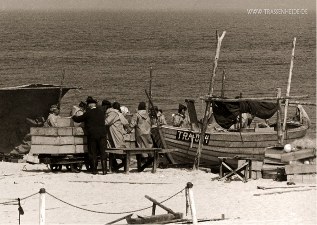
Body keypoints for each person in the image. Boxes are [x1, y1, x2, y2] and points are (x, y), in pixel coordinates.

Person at [72, 96, 106, 175]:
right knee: (102, 152)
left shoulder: (88, 113)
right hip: (102, 134)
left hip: (92, 135)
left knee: (92, 152)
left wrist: (73, 116)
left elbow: (78, 119)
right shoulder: (101, 112)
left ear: (90, 105)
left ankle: (94, 170)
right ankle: (104, 171)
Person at [129, 102, 153, 171]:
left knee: (139, 149)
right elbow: (151, 123)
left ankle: (140, 166)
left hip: (139, 134)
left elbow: (132, 124)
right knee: (148, 148)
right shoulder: (148, 115)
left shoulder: (136, 115)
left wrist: (128, 130)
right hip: (147, 133)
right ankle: (149, 163)